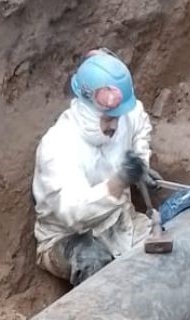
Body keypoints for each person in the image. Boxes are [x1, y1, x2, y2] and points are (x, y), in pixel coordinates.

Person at [32, 48, 154, 286]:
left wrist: (141, 161)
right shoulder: (58, 145)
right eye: (108, 120)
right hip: (68, 238)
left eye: (117, 118)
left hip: (121, 223)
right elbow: (74, 215)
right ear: (86, 109)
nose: (115, 126)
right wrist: (118, 183)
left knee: (165, 253)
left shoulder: (122, 113)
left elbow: (140, 123)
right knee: (93, 262)